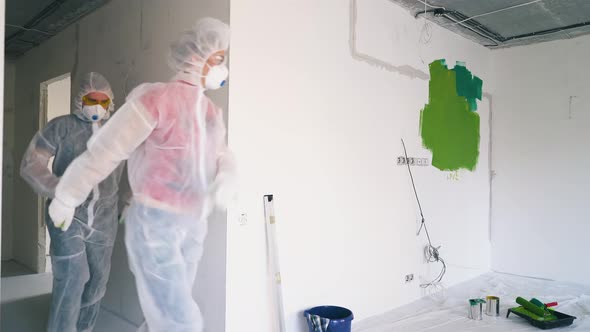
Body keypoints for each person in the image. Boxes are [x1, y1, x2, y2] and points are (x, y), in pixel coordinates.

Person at [48, 17, 236, 332]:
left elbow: (221, 154)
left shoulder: (210, 112)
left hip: (193, 224)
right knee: (181, 319)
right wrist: (68, 195)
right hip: (155, 226)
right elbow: (106, 151)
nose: (222, 67)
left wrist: (228, 176)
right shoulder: (155, 99)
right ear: (194, 58)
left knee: (164, 313)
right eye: (217, 59)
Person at [20, 72, 124, 332]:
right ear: (81, 99)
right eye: (92, 99)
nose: (97, 106)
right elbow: (33, 163)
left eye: (103, 101)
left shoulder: (117, 132)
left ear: (110, 102)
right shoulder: (62, 126)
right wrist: (61, 190)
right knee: (73, 278)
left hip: (104, 218)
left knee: (98, 280)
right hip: (67, 215)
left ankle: (83, 329)